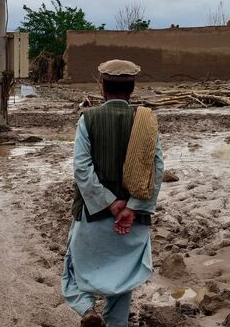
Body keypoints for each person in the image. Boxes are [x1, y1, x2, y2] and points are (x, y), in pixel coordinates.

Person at [62, 59, 164, 327]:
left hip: (92, 217)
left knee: (73, 269)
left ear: (103, 88)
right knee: (122, 282)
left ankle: (87, 310)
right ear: (132, 89)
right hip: (132, 223)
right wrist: (131, 207)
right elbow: (157, 169)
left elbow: (82, 170)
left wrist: (110, 204)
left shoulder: (88, 119)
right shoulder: (146, 121)